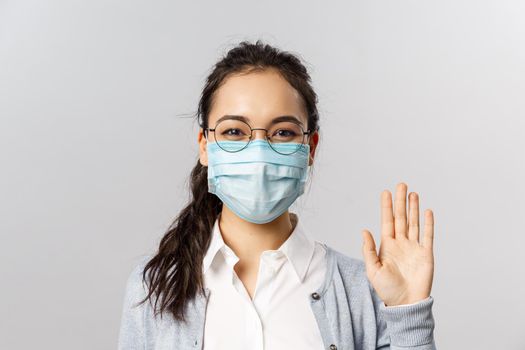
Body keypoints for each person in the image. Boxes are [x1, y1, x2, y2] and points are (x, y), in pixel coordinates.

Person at [117, 40, 437, 350]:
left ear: (309, 148)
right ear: (204, 144)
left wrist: (409, 314)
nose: (258, 151)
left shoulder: (362, 289)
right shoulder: (153, 286)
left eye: (283, 132)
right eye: (234, 131)